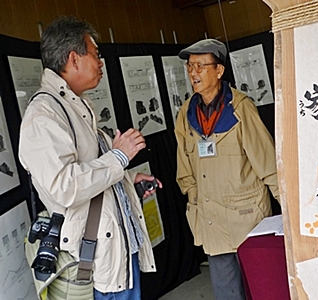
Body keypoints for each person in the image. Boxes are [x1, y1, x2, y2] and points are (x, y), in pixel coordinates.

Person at [18, 16, 162, 300]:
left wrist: (131, 178)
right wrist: (120, 156)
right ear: (73, 59)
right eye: (96, 54)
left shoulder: (76, 106)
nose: (101, 63)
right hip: (93, 262)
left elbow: (93, 170)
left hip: (115, 250)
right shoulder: (44, 115)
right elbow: (65, 186)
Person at [175, 39, 280, 300]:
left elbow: (267, 162)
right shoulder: (187, 112)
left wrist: (287, 205)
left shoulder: (241, 107)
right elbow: (184, 167)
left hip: (247, 216)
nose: (193, 73)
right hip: (212, 219)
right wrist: (193, 196)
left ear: (219, 70)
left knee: (260, 285)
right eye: (190, 67)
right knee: (227, 292)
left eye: (200, 66)